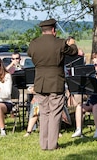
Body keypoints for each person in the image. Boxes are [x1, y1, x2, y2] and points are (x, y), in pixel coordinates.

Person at [27, 18, 78, 150]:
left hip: (40, 82)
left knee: (44, 113)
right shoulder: (60, 43)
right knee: (55, 114)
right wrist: (72, 43)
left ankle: (44, 144)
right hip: (56, 82)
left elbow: (30, 54)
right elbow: (74, 52)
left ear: (43, 30)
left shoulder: (34, 43)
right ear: (54, 30)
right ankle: (52, 144)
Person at [71, 58, 97, 138]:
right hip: (91, 102)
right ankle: (79, 129)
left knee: (96, 107)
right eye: (96, 65)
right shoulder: (92, 77)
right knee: (79, 107)